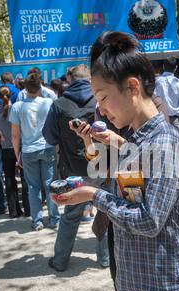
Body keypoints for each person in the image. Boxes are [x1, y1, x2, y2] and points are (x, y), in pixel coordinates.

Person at [51, 31, 179, 291]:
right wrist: (104, 148)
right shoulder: (137, 139)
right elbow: (129, 190)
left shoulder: (164, 144)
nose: (101, 109)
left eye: (103, 97)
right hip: (134, 281)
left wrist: (92, 195)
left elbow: (149, 221)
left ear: (132, 86)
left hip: (167, 287)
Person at [42, 64, 107, 272]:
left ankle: (60, 261)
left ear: (70, 79)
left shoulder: (58, 104)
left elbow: (50, 137)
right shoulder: (101, 101)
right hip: (102, 167)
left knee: (70, 217)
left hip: (73, 169)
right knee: (105, 211)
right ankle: (105, 258)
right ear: (90, 80)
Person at [10, 73, 60, 231]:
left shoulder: (17, 107)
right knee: (50, 184)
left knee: (33, 187)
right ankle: (54, 219)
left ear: (24, 88)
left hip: (29, 150)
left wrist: (17, 154)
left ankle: (37, 221)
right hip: (47, 148)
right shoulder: (48, 102)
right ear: (40, 87)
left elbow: (15, 136)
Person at [0, 86, 29, 218]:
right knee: (25, 178)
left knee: (9, 178)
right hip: (22, 146)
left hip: (6, 148)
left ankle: (13, 210)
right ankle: (28, 208)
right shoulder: (19, 108)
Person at [154, 57, 179, 135]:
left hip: (160, 120)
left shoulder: (156, 82)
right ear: (176, 68)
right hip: (175, 120)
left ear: (163, 66)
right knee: (178, 146)